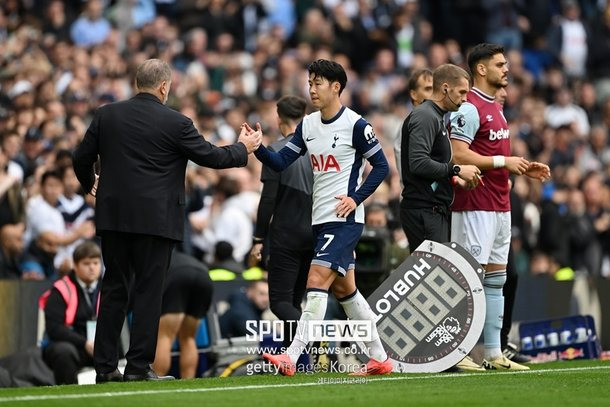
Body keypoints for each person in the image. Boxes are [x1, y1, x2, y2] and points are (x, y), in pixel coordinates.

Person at [72, 58, 261, 383]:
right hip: (156, 222)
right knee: (147, 292)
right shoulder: (176, 122)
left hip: (114, 218)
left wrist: (91, 182)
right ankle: (137, 368)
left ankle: (104, 369)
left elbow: (79, 157)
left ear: (137, 83)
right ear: (164, 87)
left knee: (115, 288)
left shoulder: (107, 115)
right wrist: (243, 148)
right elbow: (212, 157)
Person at [249, 59, 392, 376]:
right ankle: (380, 359)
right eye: (309, 82)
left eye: (317, 83)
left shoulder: (356, 125)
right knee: (346, 292)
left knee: (315, 282)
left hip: (344, 220)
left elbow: (382, 167)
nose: (311, 89)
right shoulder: (309, 125)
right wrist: (257, 148)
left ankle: (291, 355)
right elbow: (280, 161)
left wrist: (356, 198)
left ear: (336, 87)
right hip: (319, 220)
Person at [449, 43, 550, 371]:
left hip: (500, 205)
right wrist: (502, 161)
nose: (506, 69)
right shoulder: (469, 107)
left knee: (495, 281)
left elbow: (492, 158)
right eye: (500, 64)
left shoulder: (497, 107)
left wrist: (517, 167)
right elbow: (457, 154)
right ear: (481, 69)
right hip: (474, 205)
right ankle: (458, 351)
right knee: (468, 280)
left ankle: (493, 353)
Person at [249, 95, 313, 347]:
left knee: (279, 303)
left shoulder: (276, 150)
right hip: (313, 236)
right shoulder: (316, 150)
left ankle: (312, 336)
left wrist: (258, 239)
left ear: (278, 119)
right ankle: (290, 359)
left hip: (286, 236)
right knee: (295, 302)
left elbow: (268, 200)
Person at [399, 64, 481, 253]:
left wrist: (455, 179)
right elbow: (418, 163)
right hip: (424, 211)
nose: (465, 99)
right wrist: (457, 169)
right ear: (445, 88)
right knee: (430, 278)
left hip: (433, 210)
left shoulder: (437, 117)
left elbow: (433, 162)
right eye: (461, 92)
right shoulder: (426, 116)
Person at [40, 241, 102, 385]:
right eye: (86, 264)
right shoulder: (60, 289)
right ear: (75, 265)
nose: (92, 268)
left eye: (95, 263)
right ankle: (69, 392)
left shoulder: (108, 288)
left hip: (99, 346)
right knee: (64, 352)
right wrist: (85, 343)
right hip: (72, 346)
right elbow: (54, 328)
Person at [152, 251, 214, 379]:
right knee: (188, 338)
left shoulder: (154, 258)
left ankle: (155, 379)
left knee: (164, 337)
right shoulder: (180, 256)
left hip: (178, 276)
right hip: (204, 276)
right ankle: (188, 381)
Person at [394, 68, 433, 185]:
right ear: (413, 94)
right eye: (427, 89)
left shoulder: (438, 123)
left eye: (435, 89)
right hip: (416, 198)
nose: (433, 94)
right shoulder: (409, 126)